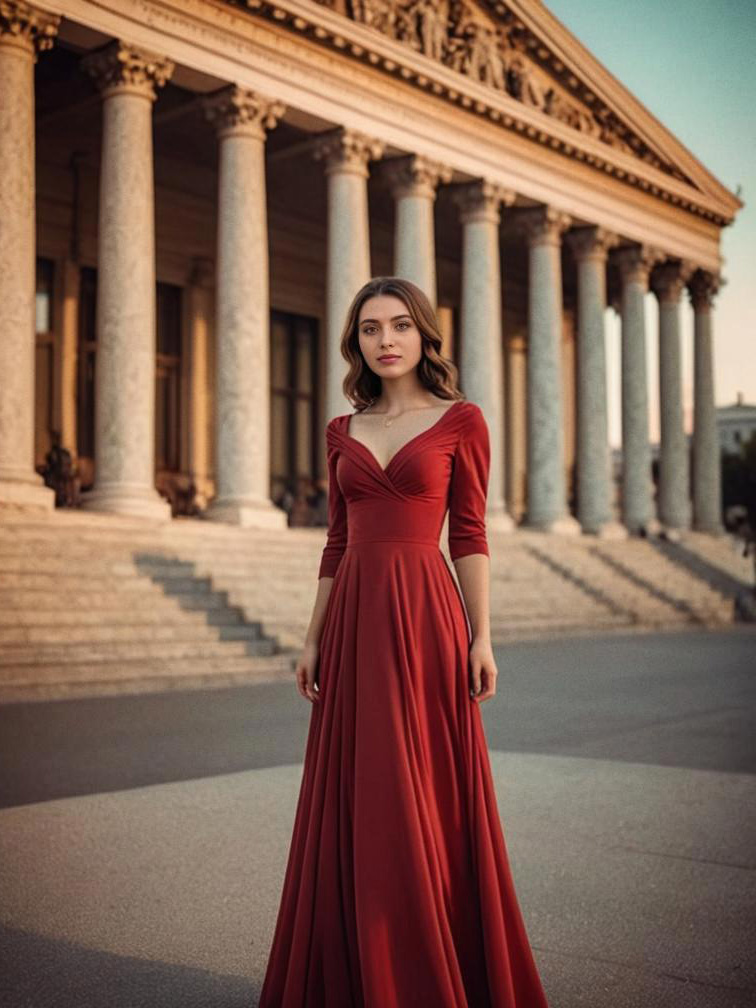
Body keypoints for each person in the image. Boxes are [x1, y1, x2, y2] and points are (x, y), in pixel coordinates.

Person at [258, 276, 549, 1006]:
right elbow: (335, 542)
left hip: (426, 620)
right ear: (355, 343)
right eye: (368, 329)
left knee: (429, 796)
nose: (384, 341)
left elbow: (471, 536)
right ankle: (360, 973)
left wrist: (482, 637)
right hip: (355, 622)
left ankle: (434, 967)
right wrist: (312, 638)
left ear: (424, 336)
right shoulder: (340, 432)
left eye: (398, 326)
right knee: (364, 796)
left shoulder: (461, 421)